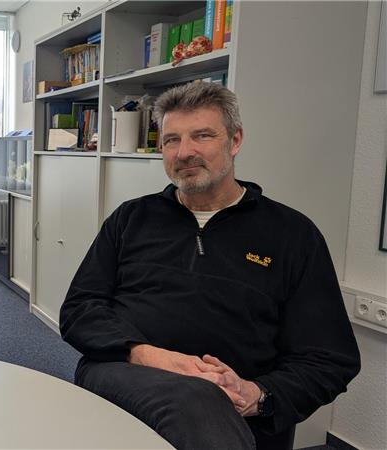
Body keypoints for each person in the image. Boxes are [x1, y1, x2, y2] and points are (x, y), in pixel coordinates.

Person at [59, 82, 360, 449]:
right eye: (171, 140)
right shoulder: (132, 219)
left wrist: (257, 393)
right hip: (124, 373)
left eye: (202, 135)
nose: (185, 152)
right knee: (196, 399)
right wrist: (148, 355)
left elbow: (329, 358)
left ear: (235, 141)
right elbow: (79, 310)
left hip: (237, 406)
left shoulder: (293, 235)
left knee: (205, 402)